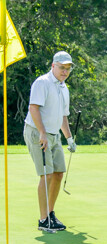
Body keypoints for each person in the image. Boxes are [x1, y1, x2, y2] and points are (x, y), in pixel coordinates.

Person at [23, 51, 77, 231]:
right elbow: (33, 108)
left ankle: (50, 214)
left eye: (68, 69)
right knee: (46, 174)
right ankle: (43, 219)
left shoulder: (64, 88)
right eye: (62, 68)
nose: (65, 72)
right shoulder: (42, 83)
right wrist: (42, 133)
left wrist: (69, 138)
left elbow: (63, 116)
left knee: (59, 173)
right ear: (53, 66)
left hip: (54, 135)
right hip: (37, 133)